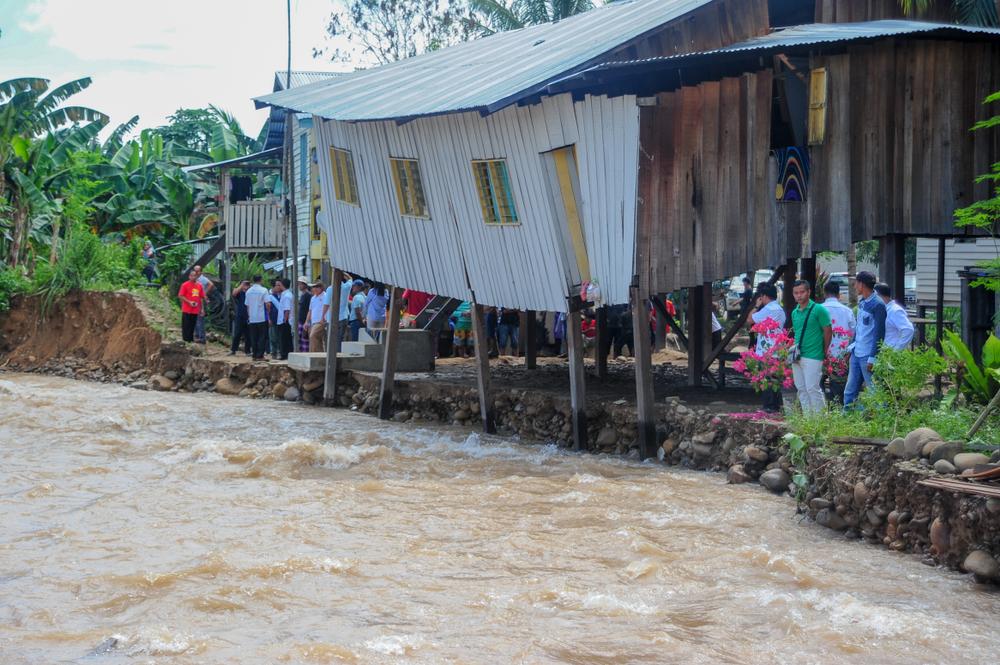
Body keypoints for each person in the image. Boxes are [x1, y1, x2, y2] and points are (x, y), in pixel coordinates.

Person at [843, 270, 887, 407]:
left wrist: (873, 357)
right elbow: (858, 328)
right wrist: (850, 349)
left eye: (856, 283)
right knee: (850, 389)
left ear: (862, 284)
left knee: (874, 389)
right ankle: (848, 415)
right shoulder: (862, 302)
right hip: (857, 351)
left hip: (868, 354)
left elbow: (879, 334)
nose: (855, 286)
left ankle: (883, 417)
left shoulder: (878, 305)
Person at [789, 280, 832, 414]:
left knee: (812, 388)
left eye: (802, 292)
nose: (799, 295)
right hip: (798, 355)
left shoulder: (819, 309)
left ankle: (820, 421)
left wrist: (824, 349)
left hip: (813, 355)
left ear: (809, 292)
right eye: (796, 293)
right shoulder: (794, 312)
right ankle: (808, 420)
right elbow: (797, 333)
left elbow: (828, 331)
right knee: (801, 388)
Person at [750, 282, 786, 413]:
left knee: (767, 380)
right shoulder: (779, 309)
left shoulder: (768, 309)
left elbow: (749, 320)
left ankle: (769, 407)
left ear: (763, 296)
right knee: (774, 380)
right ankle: (774, 406)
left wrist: (756, 306)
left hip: (767, 350)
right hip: (776, 349)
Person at [822, 281, 855, 403]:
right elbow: (853, 332)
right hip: (841, 354)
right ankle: (838, 407)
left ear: (824, 294)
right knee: (839, 384)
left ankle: (824, 405)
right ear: (839, 295)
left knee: (818, 382)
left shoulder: (819, 309)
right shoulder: (847, 311)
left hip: (821, 352)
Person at [875, 283, 915, 351]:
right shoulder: (882, 309)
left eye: (875, 297)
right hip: (880, 351)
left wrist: (895, 351)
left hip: (889, 352)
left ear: (881, 296)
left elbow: (908, 330)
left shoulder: (895, 310)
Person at [244, 275, 270, 361]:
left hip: (252, 318)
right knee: (262, 337)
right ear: (261, 280)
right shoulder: (264, 290)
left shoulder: (248, 291)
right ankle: (260, 355)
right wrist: (268, 313)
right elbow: (267, 304)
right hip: (261, 317)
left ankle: (254, 355)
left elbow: (247, 305)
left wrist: (249, 316)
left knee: (253, 337)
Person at [177, 270, 207, 343]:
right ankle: (185, 340)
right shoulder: (185, 285)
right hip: (187, 309)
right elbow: (180, 295)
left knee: (192, 326)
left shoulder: (199, 286)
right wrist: (189, 302)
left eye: (195, 275)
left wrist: (202, 309)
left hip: (195, 309)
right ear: (189, 276)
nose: (193, 277)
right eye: (192, 275)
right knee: (186, 325)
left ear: (197, 276)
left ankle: (190, 340)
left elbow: (201, 298)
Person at [192, 265, 214, 345]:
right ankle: (197, 335)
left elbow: (211, 284)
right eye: (195, 270)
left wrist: (204, 293)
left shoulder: (202, 279)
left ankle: (201, 337)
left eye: (198, 271)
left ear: (201, 272)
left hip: (200, 300)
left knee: (199, 319)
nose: (196, 272)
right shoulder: (195, 279)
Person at [229, 280, 251, 356]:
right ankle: (233, 350)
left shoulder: (250, 292)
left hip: (249, 316)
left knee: (248, 335)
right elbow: (234, 293)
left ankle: (248, 351)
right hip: (240, 315)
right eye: (245, 284)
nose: (246, 285)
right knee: (237, 333)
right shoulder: (240, 293)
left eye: (247, 284)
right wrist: (241, 285)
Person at [274, 278, 294, 360]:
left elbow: (287, 309)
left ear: (282, 285)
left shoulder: (286, 296)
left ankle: (284, 354)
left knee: (284, 339)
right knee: (286, 338)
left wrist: (285, 320)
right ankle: (287, 354)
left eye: (279, 285)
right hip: (284, 320)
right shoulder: (286, 294)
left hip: (285, 321)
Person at [305, 281, 327, 352]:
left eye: (316, 287)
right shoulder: (313, 298)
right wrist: (306, 322)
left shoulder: (325, 296)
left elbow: (327, 308)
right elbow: (310, 311)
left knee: (313, 336)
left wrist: (323, 318)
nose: (314, 289)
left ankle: (315, 354)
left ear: (321, 288)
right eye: (313, 287)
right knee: (315, 339)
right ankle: (319, 355)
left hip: (321, 321)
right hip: (313, 322)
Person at [296, 276, 312, 352]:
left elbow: (310, 309)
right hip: (301, 320)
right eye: (299, 284)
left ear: (305, 285)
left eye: (301, 284)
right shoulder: (303, 295)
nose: (299, 286)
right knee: (301, 340)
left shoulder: (308, 295)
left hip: (305, 321)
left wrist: (307, 321)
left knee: (305, 339)